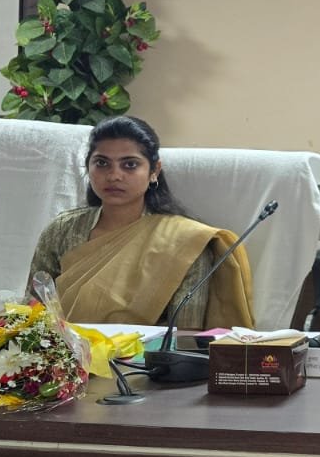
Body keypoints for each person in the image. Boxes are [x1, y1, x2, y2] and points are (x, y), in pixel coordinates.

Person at [27, 115, 255, 328]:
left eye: (130, 165)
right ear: (88, 167)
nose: (114, 175)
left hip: (144, 358)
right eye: (102, 163)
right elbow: (32, 312)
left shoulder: (185, 243)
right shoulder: (62, 230)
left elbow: (183, 334)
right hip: (60, 356)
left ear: (154, 170)